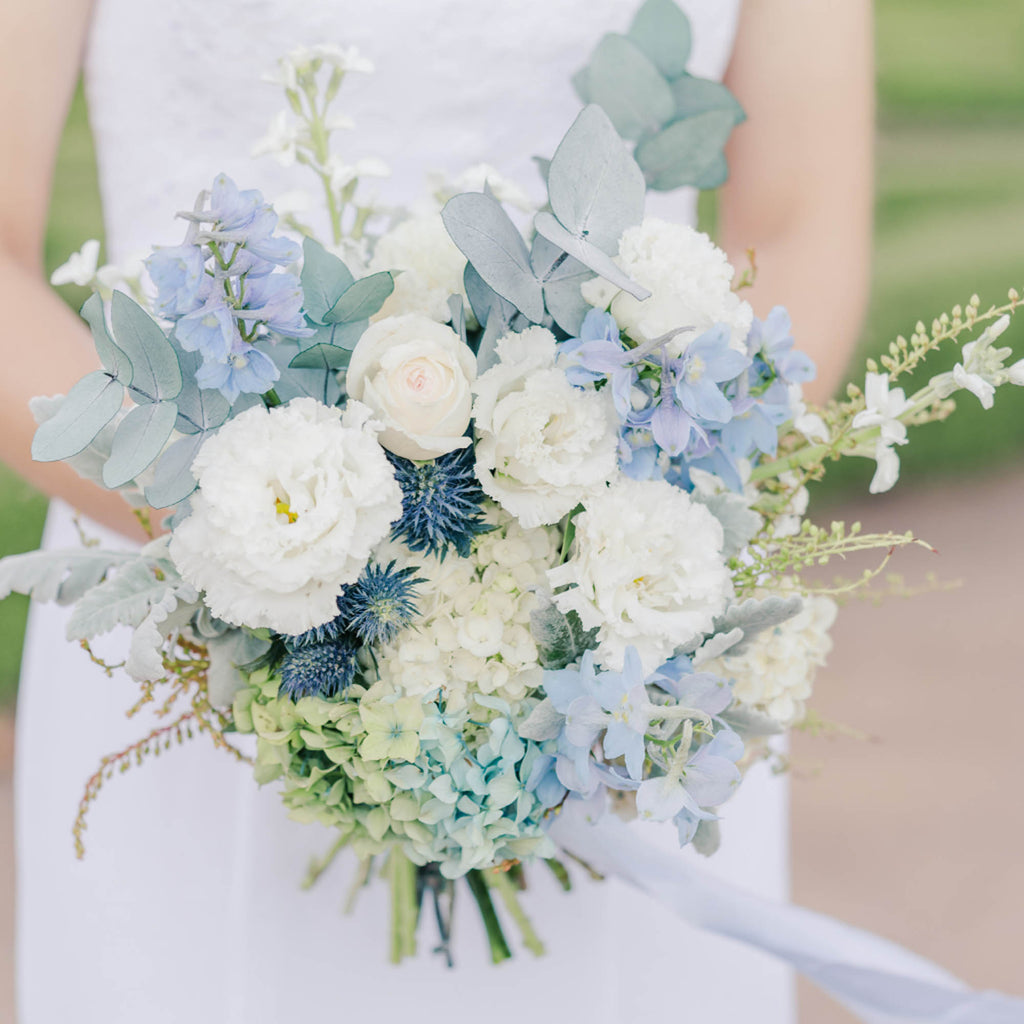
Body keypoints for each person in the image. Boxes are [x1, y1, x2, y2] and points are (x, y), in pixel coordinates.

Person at [0, 1, 873, 1021]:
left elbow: (797, 225)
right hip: (194, 638)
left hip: (609, 671)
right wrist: (264, 554)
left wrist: (585, 556)